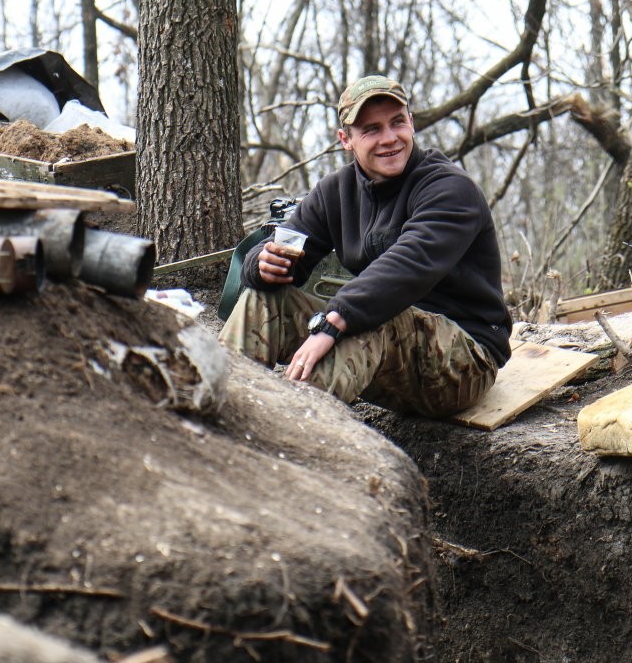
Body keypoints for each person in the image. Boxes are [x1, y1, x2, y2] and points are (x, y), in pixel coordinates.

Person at [218, 75, 512, 417]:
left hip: (463, 360)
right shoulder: (336, 191)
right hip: (387, 350)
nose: (389, 139)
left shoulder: (449, 189)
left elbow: (405, 268)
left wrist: (332, 322)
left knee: (371, 317)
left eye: (397, 123)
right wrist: (262, 263)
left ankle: (293, 437)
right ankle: (220, 412)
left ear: (411, 123)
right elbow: (286, 241)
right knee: (265, 297)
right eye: (371, 129)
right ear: (346, 139)